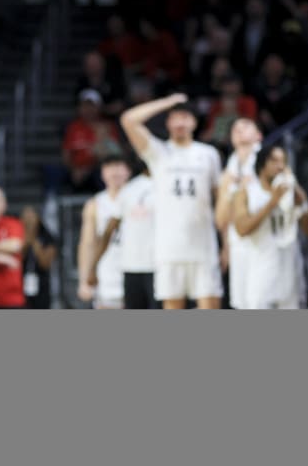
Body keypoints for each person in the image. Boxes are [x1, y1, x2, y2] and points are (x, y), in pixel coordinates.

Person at [121, 94, 223, 309]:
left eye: (185, 117)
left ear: (194, 122)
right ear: (167, 122)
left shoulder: (208, 154)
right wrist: (167, 102)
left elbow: (219, 199)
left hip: (204, 246)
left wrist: (226, 244)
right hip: (169, 248)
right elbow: (129, 119)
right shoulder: (159, 152)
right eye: (175, 118)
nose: (180, 123)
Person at [232, 145, 308, 309]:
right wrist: (272, 202)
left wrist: (302, 204)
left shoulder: (292, 192)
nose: (280, 166)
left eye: (283, 161)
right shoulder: (247, 192)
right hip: (262, 275)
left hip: (291, 275)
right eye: (274, 160)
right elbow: (241, 229)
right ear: (261, 165)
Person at [214, 118, 262, 309]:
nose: (239, 131)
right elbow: (221, 219)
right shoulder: (229, 169)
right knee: (241, 304)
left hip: (265, 244)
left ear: (259, 135)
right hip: (238, 244)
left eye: (245, 127)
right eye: (235, 129)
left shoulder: (271, 161)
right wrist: (226, 246)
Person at [79, 156, 130, 309]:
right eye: (110, 167)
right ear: (102, 173)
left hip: (135, 270)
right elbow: (87, 243)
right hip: (105, 275)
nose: (115, 172)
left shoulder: (140, 197)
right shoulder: (95, 204)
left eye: (119, 166)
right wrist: (84, 280)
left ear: (128, 171)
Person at [105, 162, 158, 309]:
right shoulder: (130, 189)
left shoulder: (168, 183)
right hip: (132, 266)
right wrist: (93, 265)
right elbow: (110, 228)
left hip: (161, 265)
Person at [20, 205, 57, 310]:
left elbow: (45, 264)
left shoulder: (47, 237)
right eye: (25, 217)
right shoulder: (18, 236)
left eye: (31, 217)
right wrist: (26, 241)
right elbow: (16, 260)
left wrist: (34, 241)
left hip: (41, 285)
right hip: (20, 285)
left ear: (38, 218)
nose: (29, 221)